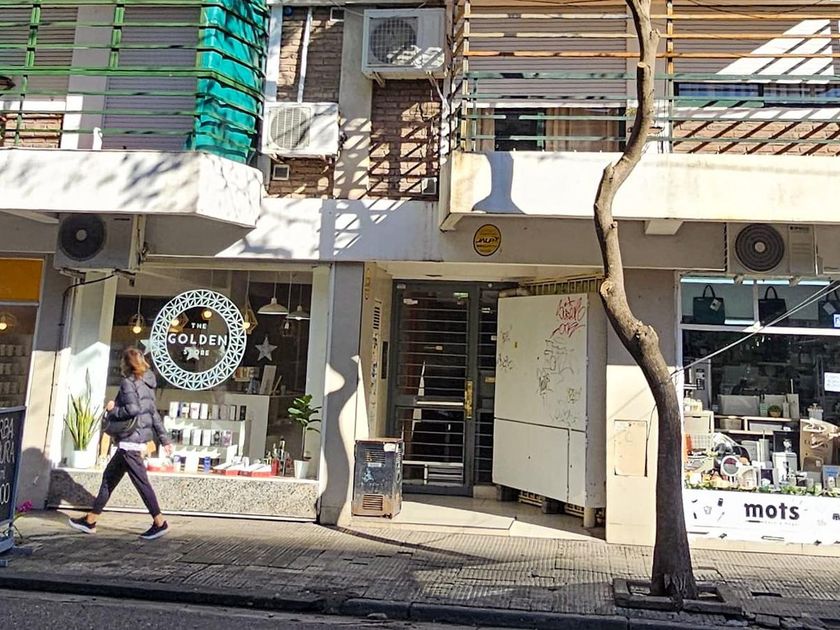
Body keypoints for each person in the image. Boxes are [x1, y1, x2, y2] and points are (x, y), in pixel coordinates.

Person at [68, 347, 173, 540]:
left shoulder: (128, 383)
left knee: (142, 484)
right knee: (109, 478)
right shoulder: (148, 383)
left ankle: (160, 522)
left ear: (127, 364)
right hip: (133, 442)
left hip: (130, 443)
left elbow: (132, 409)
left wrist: (113, 409)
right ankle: (91, 520)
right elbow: (153, 414)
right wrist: (164, 439)